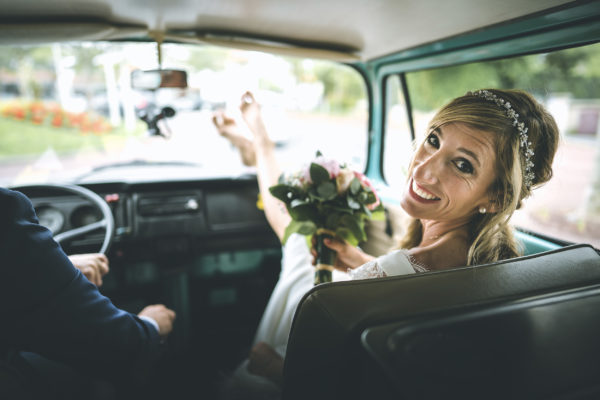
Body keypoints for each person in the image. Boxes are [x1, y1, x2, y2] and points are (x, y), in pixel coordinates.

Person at [213, 88, 559, 395]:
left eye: (463, 165)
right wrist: (359, 259)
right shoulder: (488, 262)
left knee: (298, 248)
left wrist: (271, 365)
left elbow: (332, 385)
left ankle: (260, 145)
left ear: (495, 198)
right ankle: (257, 146)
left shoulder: (393, 275)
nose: (423, 169)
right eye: (434, 140)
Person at [0, 187, 176, 398]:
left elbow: (16, 275)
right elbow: (114, 346)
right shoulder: (6, 211)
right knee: (103, 376)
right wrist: (151, 327)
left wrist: (60, 267)